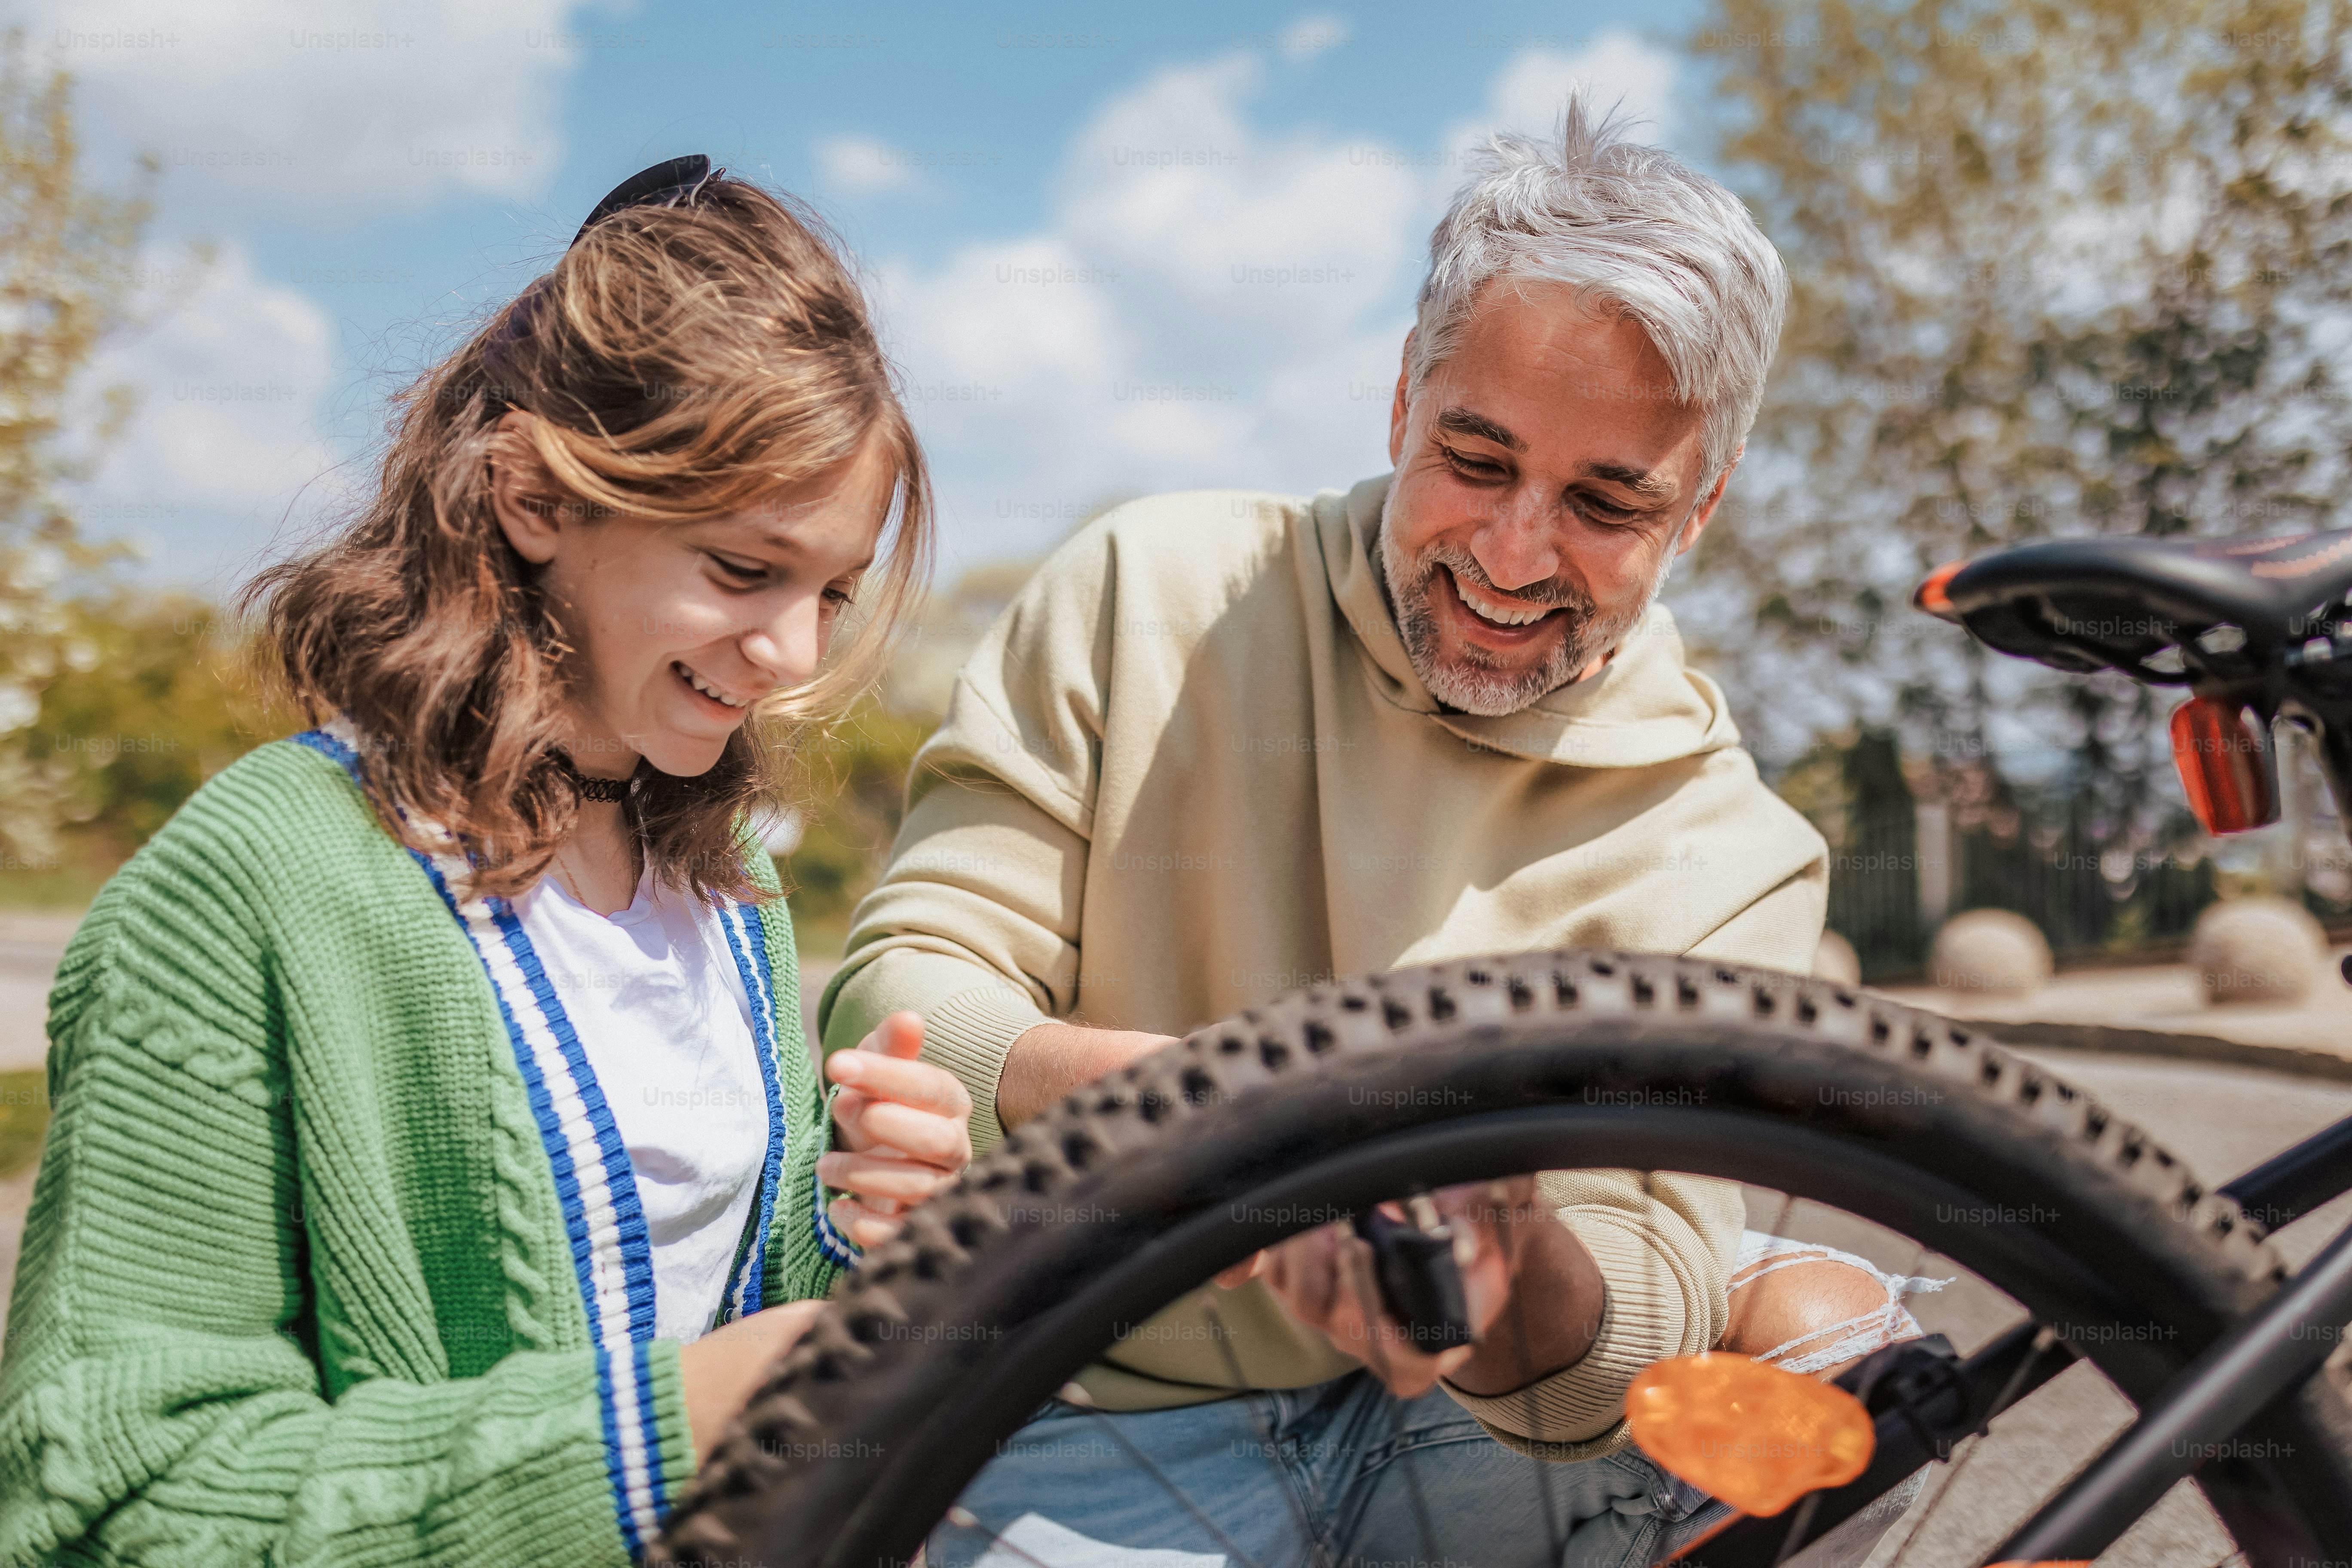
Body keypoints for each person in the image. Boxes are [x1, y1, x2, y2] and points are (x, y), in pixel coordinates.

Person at [822, 103, 1932, 1565]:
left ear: (1701, 506)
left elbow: (1633, 1329)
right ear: (1403, 399)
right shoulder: (1143, 592)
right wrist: (1221, 1113)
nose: (1516, 552)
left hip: (1466, 1432)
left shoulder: (1732, 846)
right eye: (1476, 459)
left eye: (1607, 501)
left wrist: (1498, 1252)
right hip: (1085, 1405)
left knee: (1845, 1348)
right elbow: (907, 984)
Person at [0, 160, 973, 1568]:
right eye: (742, 570)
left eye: (833, 592)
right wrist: (663, 1436)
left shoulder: (730, 893)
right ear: (531, 496)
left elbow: (726, 1320)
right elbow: (110, 1500)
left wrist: (855, 1227)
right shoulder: (242, 892)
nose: (797, 657)